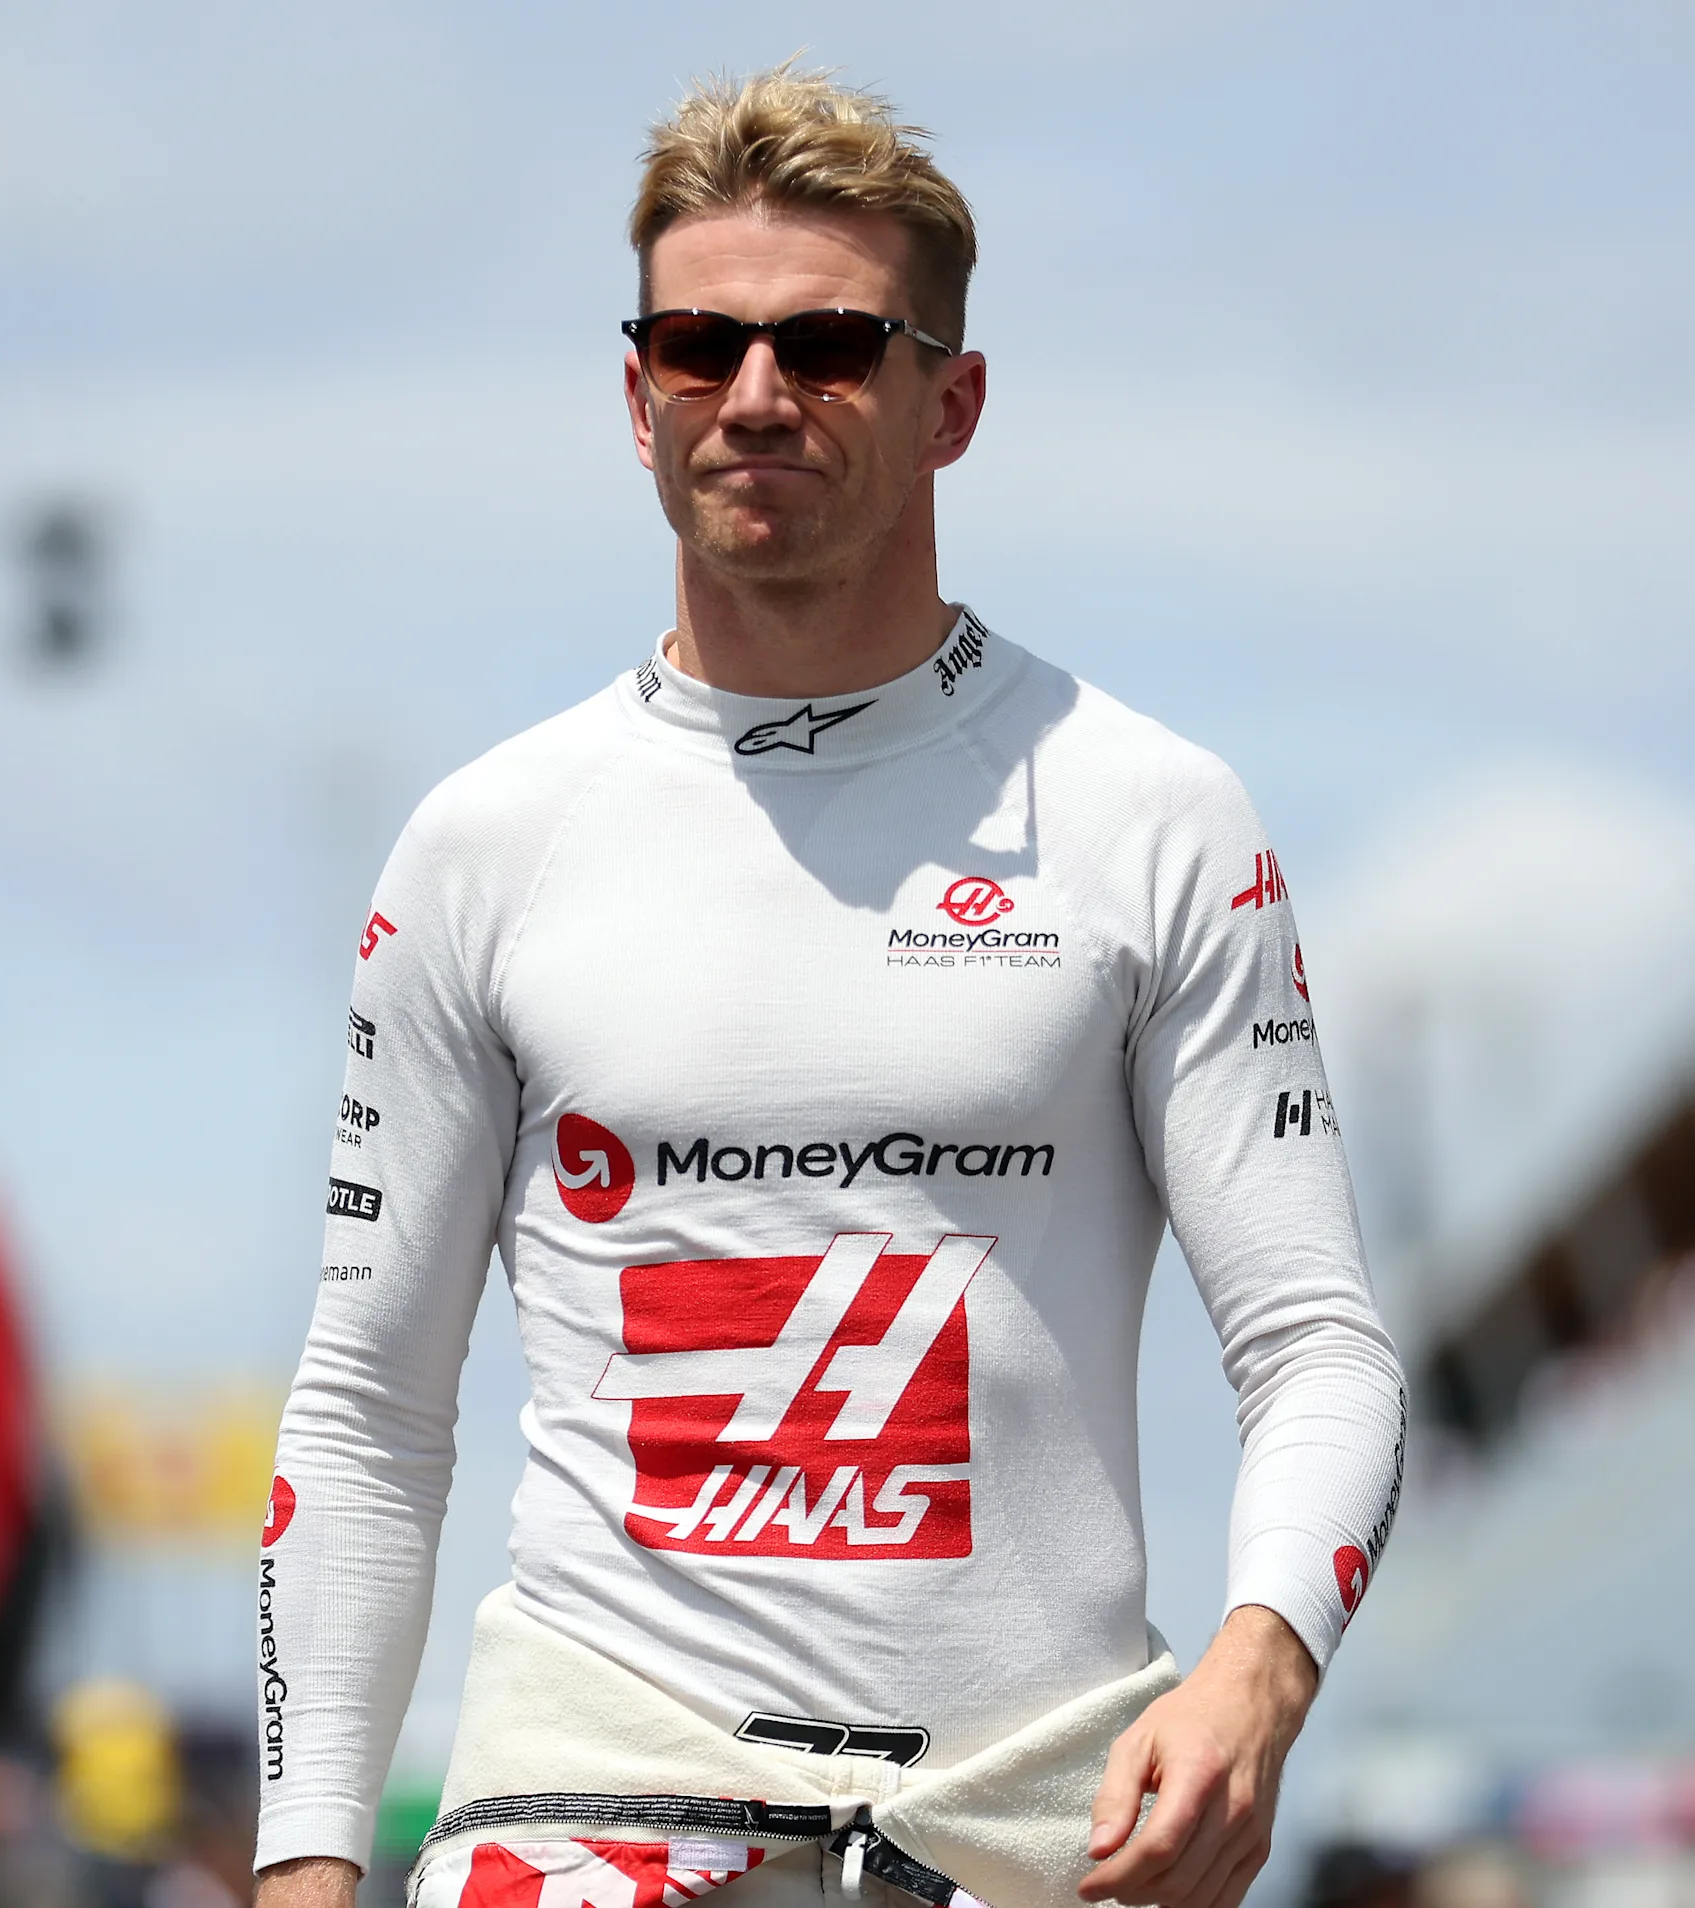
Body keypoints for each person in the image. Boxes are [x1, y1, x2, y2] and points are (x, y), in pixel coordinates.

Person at [255, 64, 1405, 1908]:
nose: (759, 396)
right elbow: (368, 1413)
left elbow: (1319, 1350)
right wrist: (305, 1865)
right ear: (638, 398)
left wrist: (1258, 1676)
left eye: (832, 348)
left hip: (1033, 1828)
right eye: (701, 345)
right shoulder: (485, 845)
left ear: (951, 402)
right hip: (585, 1823)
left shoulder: (1153, 815)